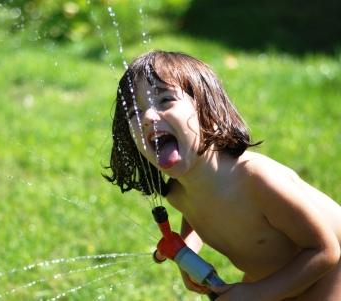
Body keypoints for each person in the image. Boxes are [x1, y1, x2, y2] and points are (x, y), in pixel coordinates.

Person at [104, 50, 341, 300]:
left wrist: (257, 294)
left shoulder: (255, 180)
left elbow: (325, 251)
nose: (148, 117)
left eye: (164, 100)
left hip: (330, 271)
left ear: (209, 112)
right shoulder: (179, 193)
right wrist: (186, 252)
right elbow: (197, 213)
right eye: (135, 112)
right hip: (270, 278)